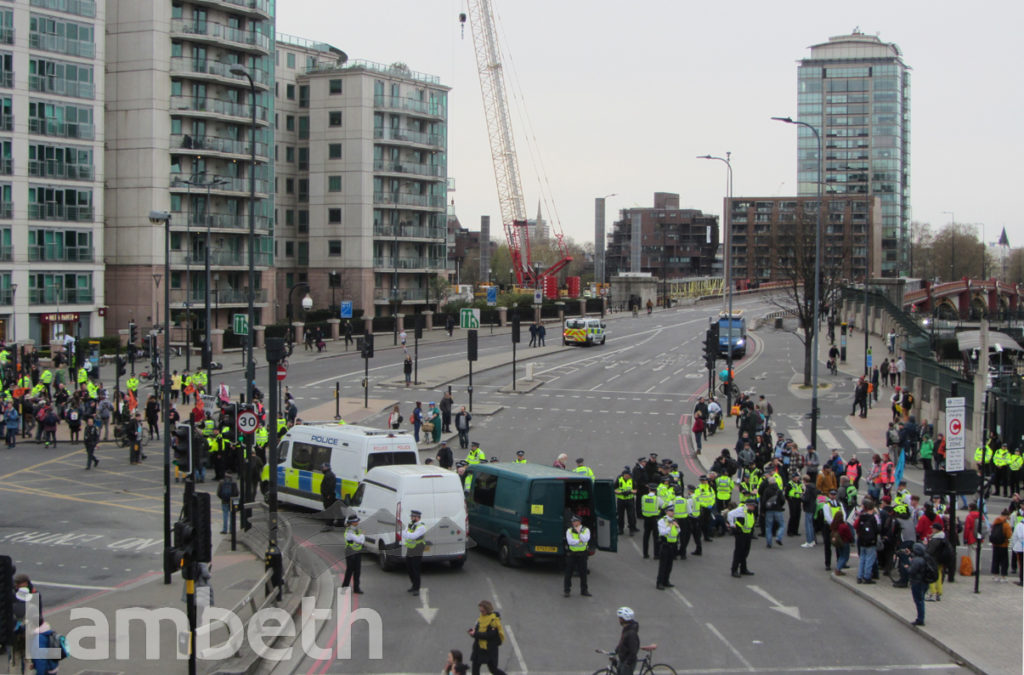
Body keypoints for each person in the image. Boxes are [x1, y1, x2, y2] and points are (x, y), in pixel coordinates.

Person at [467, 600, 507, 675]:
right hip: (479, 648)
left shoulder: (493, 620)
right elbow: (478, 629)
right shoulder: (481, 618)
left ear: (488, 610)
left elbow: (489, 635)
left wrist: (475, 634)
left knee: (493, 669)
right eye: (480, 611)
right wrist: (473, 632)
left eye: (483, 611)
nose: (481, 613)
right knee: (475, 669)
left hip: (489, 649)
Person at [853, 498, 880, 584]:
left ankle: (859, 576)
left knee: (862, 558)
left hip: (861, 540)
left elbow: (856, 526)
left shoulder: (861, 516)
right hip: (871, 541)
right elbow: (878, 528)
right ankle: (867, 576)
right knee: (869, 559)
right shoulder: (874, 517)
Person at [728, 498, 757, 578]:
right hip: (741, 533)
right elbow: (730, 514)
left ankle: (743, 569)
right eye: (753, 506)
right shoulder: (741, 510)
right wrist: (732, 525)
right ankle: (734, 570)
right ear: (748, 505)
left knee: (745, 552)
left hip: (747, 533)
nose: (754, 508)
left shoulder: (750, 511)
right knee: (738, 552)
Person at [563, 514, 591, 597]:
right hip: (572, 554)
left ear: (579, 522)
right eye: (573, 521)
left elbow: (586, 539)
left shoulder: (586, 530)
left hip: (582, 554)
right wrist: (579, 541)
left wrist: (579, 533)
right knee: (568, 573)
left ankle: (584, 590)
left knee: (583, 573)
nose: (573, 523)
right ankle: (567, 590)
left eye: (575, 521)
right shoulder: (569, 530)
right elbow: (570, 542)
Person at [656, 504, 679, 589]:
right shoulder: (662, 521)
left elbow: (677, 531)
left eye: (673, 511)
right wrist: (670, 526)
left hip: (673, 545)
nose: (672, 513)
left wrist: (676, 527)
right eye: (671, 511)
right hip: (665, 544)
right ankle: (660, 582)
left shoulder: (674, 520)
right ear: (666, 512)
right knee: (663, 565)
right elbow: (662, 532)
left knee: (669, 565)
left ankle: (666, 581)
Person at [906, 542, 928, 626]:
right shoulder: (925, 558)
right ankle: (921, 617)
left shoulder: (916, 560)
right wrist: (910, 554)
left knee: (919, 601)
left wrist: (907, 568)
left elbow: (912, 571)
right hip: (925, 582)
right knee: (921, 599)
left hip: (917, 582)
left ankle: (920, 619)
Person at [405, 509, 427, 596]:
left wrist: (406, 533)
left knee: (415, 569)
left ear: (417, 517)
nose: (411, 518)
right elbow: (406, 533)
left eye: (413, 516)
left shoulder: (421, 527)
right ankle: (413, 585)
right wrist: (406, 533)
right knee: (409, 568)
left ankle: (416, 588)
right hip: (410, 548)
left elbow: (413, 536)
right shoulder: (411, 524)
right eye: (411, 516)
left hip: (417, 549)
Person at [613, 607, 640, 675]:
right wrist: (616, 651)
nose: (619, 620)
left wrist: (628, 663)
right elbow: (622, 642)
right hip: (623, 659)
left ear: (624, 619)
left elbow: (633, 650)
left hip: (627, 661)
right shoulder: (626, 628)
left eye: (620, 618)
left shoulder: (631, 633)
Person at [342, 514, 365, 594]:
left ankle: (356, 588)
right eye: (356, 521)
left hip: (358, 552)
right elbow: (359, 540)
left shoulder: (356, 530)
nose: (358, 522)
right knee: (350, 570)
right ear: (352, 522)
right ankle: (344, 587)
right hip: (350, 552)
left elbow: (362, 540)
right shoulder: (349, 531)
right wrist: (361, 536)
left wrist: (361, 537)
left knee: (357, 571)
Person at [990, 508, 1012, 581]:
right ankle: (1003, 576)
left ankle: (995, 575)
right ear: (1006, 516)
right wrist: (1010, 543)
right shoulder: (1006, 525)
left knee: (995, 560)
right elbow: (1009, 535)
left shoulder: (995, 522)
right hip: (1003, 545)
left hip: (995, 544)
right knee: (1004, 561)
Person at [615, 467, 637, 535]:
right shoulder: (619, 480)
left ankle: (631, 529)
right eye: (629, 475)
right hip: (621, 500)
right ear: (625, 475)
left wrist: (630, 491)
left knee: (631, 516)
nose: (630, 477)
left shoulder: (632, 480)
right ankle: (620, 529)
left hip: (629, 500)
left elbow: (635, 490)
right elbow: (614, 489)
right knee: (620, 516)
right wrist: (621, 493)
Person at [320, 463, 338, 532]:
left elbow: (330, 486)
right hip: (329, 495)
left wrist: (328, 494)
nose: (322, 469)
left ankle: (328, 526)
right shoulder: (329, 474)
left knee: (328, 511)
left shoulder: (329, 475)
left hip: (328, 496)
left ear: (326, 468)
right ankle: (330, 525)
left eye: (323, 468)